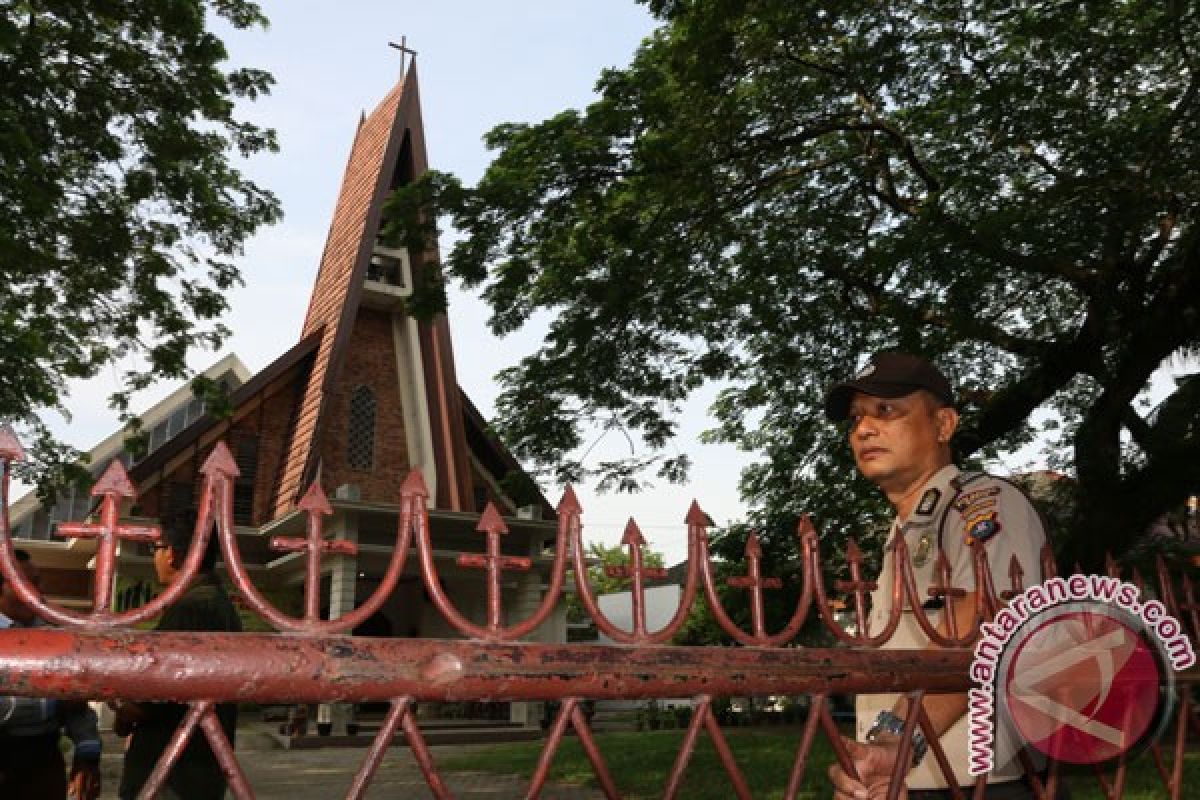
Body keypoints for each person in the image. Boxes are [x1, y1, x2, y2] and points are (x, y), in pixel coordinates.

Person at [823, 353, 1049, 799]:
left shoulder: (982, 503)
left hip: (981, 781)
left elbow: (992, 615)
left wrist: (897, 739)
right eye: (856, 419)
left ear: (944, 425)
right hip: (906, 777)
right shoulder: (904, 531)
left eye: (887, 411)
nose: (863, 429)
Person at [115, 510, 243, 800]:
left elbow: (153, 697)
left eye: (155, 549)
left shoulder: (190, 608)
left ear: (171, 554)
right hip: (202, 764)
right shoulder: (217, 602)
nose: (155, 557)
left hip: (172, 771)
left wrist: (120, 704)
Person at [0, 548, 102, 800]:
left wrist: (87, 755)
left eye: (37, 583)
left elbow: (77, 707)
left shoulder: (53, 635)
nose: (36, 593)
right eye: (26, 584)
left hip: (43, 762)